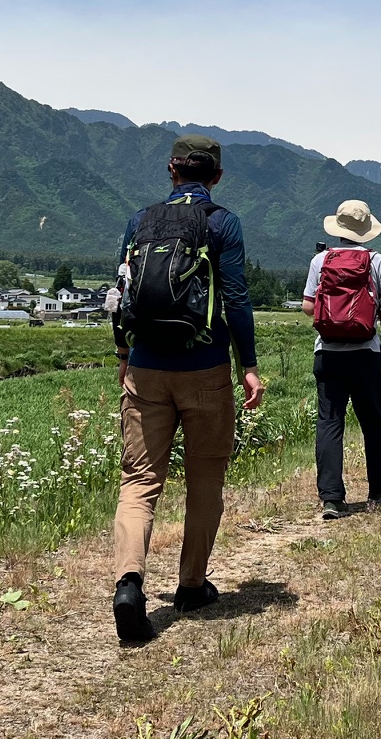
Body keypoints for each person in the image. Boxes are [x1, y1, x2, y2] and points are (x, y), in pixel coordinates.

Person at [108, 135, 264, 647]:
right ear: (216, 176)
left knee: (139, 481)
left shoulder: (140, 221)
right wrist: (248, 365)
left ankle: (129, 584)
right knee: (204, 479)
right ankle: (192, 586)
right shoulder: (223, 223)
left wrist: (123, 353)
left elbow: (120, 292)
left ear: (171, 170)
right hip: (205, 367)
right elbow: (236, 298)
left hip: (146, 369)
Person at [303, 201, 381, 521]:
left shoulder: (321, 260)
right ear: (366, 230)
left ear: (338, 229)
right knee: (371, 420)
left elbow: (308, 307)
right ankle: (379, 485)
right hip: (365, 353)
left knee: (329, 422)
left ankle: (332, 498)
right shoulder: (377, 260)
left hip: (327, 353)